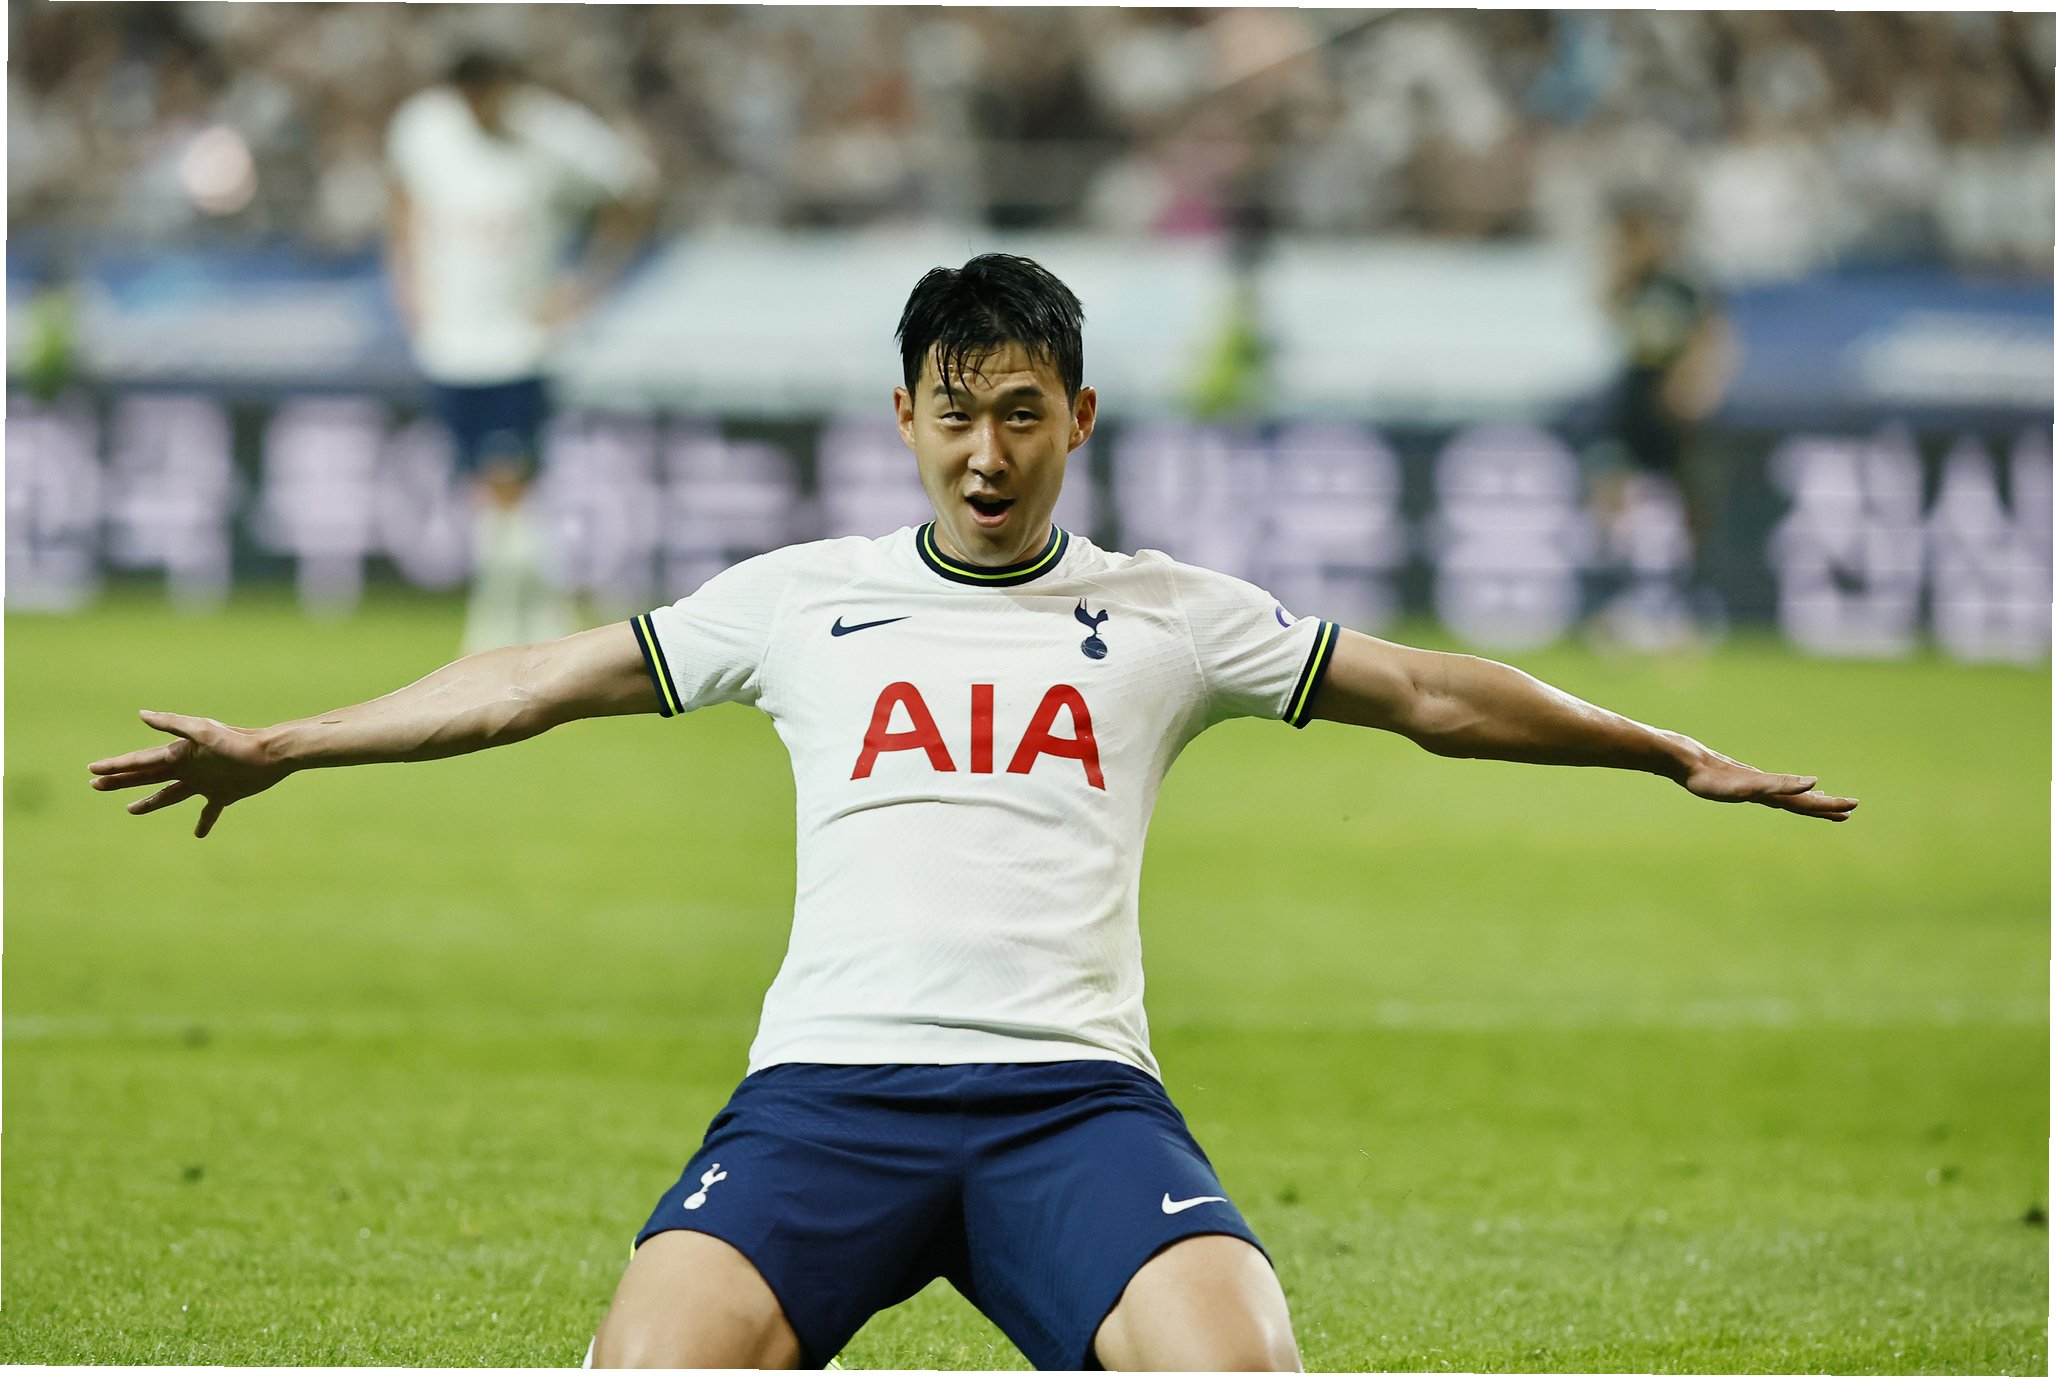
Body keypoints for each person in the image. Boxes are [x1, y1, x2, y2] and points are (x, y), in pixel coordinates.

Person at [89, 254, 1856, 1371]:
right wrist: (291, 742)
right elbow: (531, 681)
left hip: (1073, 1107)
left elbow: (1428, 694)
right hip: (823, 1100)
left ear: (1078, 415)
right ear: (905, 417)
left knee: (1243, 1370)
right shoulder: (802, 597)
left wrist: (1663, 750)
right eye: (955, 415)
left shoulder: (1173, 614)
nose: (987, 453)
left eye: (1021, 413)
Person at [385, 48, 657, 654]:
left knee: (509, 482)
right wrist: (405, 276)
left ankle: (495, 623)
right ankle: (542, 615)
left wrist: (587, 283)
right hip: (448, 343)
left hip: (519, 345)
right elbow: (401, 194)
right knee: (491, 492)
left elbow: (634, 191)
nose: (479, 110)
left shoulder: (554, 132)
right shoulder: (423, 126)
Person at [1588, 197, 1737, 650]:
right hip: (1631, 406)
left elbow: (1713, 337)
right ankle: (1622, 605)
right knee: (1611, 501)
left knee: (1689, 511)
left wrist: (1696, 384)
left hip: (1672, 411)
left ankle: (1688, 610)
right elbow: (1603, 309)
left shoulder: (1684, 287)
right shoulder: (1633, 285)